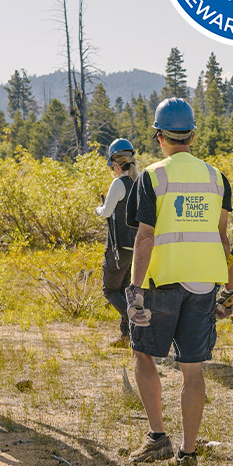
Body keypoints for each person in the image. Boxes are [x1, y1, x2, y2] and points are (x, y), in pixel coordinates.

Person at [125, 98, 233, 466]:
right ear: (191, 135)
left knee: (143, 355)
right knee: (193, 370)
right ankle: (187, 454)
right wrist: (229, 288)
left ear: (159, 136)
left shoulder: (152, 176)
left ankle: (157, 437)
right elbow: (223, 237)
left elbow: (144, 238)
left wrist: (134, 290)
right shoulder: (217, 177)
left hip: (162, 282)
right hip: (205, 285)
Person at [95, 138, 138, 348]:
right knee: (124, 291)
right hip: (136, 248)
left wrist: (98, 209)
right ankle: (126, 337)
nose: (112, 169)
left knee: (110, 291)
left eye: (111, 165)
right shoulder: (139, 182)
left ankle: (133, 320)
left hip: (118, 248)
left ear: (116, 163)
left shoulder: (118, 183)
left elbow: (106, 212)